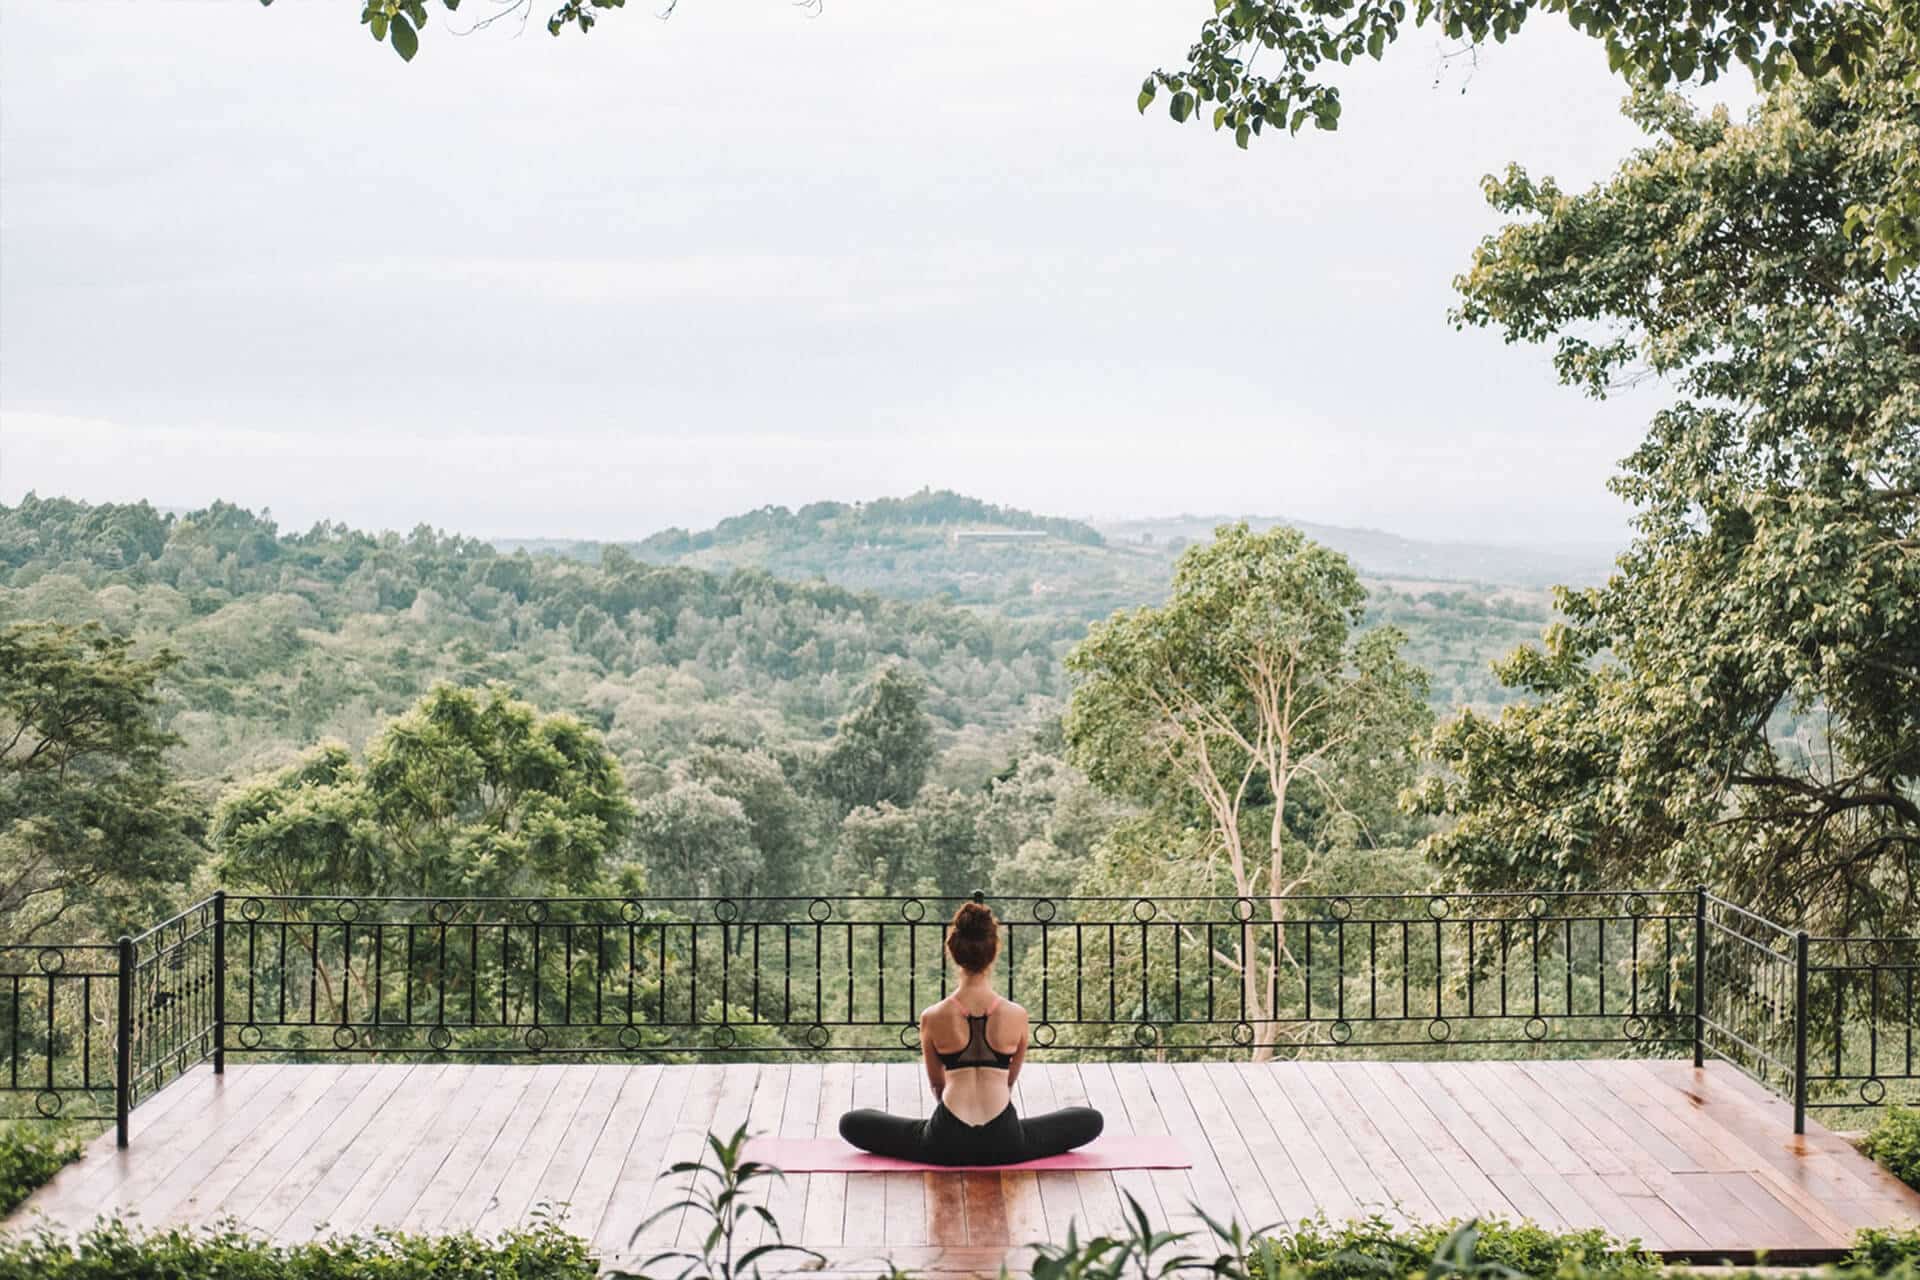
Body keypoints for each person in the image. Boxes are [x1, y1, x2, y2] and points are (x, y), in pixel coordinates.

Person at [838, 899, 1104, 1166]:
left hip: (945, 1142)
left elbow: (937, 1085)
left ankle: (941, 1133)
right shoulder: (1017, 1015)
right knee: (1090, 1119)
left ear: (952, 951)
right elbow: (1008, 1084)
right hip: (1006, 1142)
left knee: (852, 1123)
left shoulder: (932, 1017)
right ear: (994, 951)